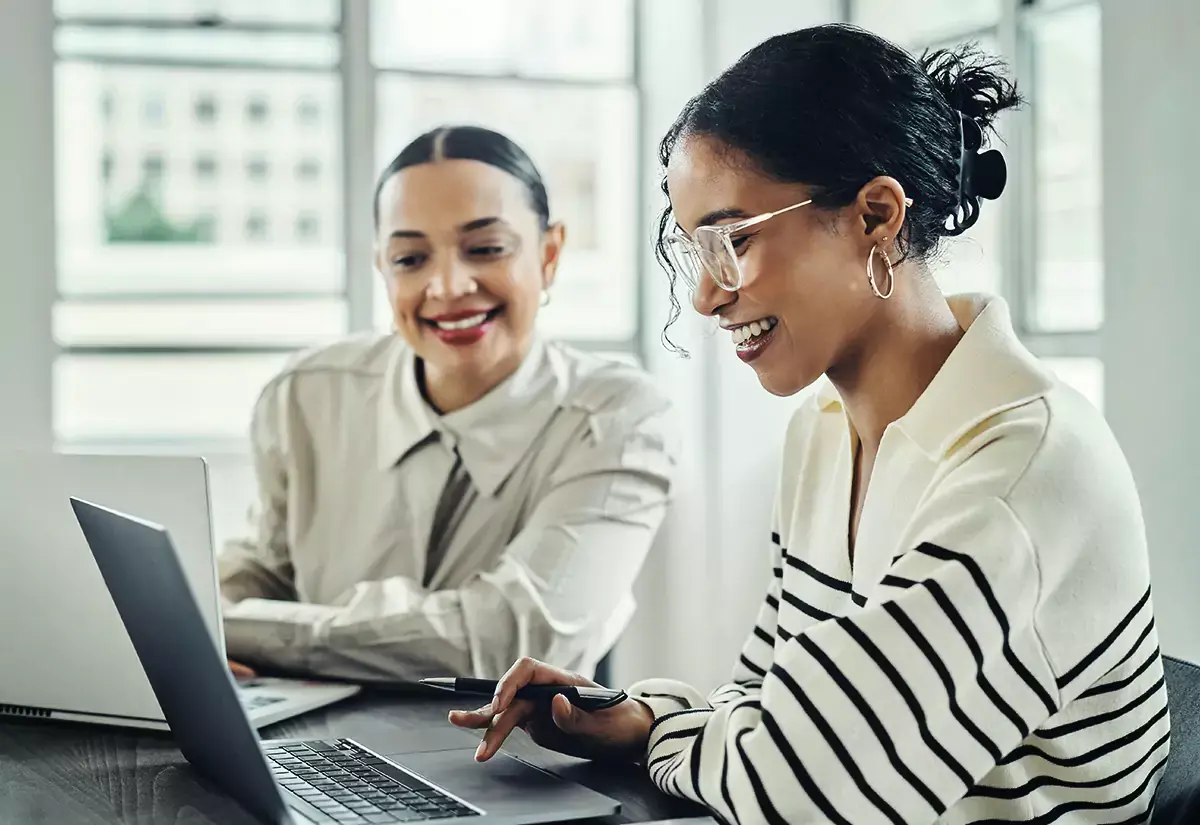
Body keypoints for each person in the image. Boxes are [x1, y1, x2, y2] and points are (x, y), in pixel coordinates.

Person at [449, 25, 1169, 824]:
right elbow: (763, 698)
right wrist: (643, 717)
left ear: (875, 215)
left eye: (734, 240)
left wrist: (670, 736)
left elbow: (796, 789)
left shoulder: (1022, 469)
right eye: (695, 250)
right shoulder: (824, 432)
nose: (706, 296)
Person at [218, 125, 677, 683]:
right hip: (313, 731)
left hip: (514, 738)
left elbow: (514, 642)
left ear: (549, 254)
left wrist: (242, 630)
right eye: (410, 259)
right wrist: (196, 625)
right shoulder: (306, 395)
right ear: (382, 269)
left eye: (485, 249)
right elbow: (262, 571)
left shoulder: (618, 416)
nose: (448, 287)